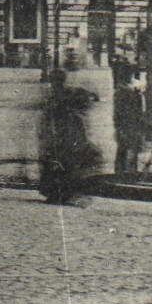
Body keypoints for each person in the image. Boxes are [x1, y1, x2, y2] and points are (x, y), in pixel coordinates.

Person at [38, 67, 101, 204]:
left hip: (64, 132)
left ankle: (60, 193)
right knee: (65, 162)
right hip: (68, 132)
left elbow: (49, 115)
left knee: (61, 162)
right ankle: (62, 192)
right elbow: (90, 97)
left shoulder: (58, 95)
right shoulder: (67, 92)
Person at [113, 71, 145, 175]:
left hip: (129, 122)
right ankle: (124, 170)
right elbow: (118, 110)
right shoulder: (123, 90)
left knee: (128, 146)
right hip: (127, 121)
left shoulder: (125, 89)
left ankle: (124, 170)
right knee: (126, 146)